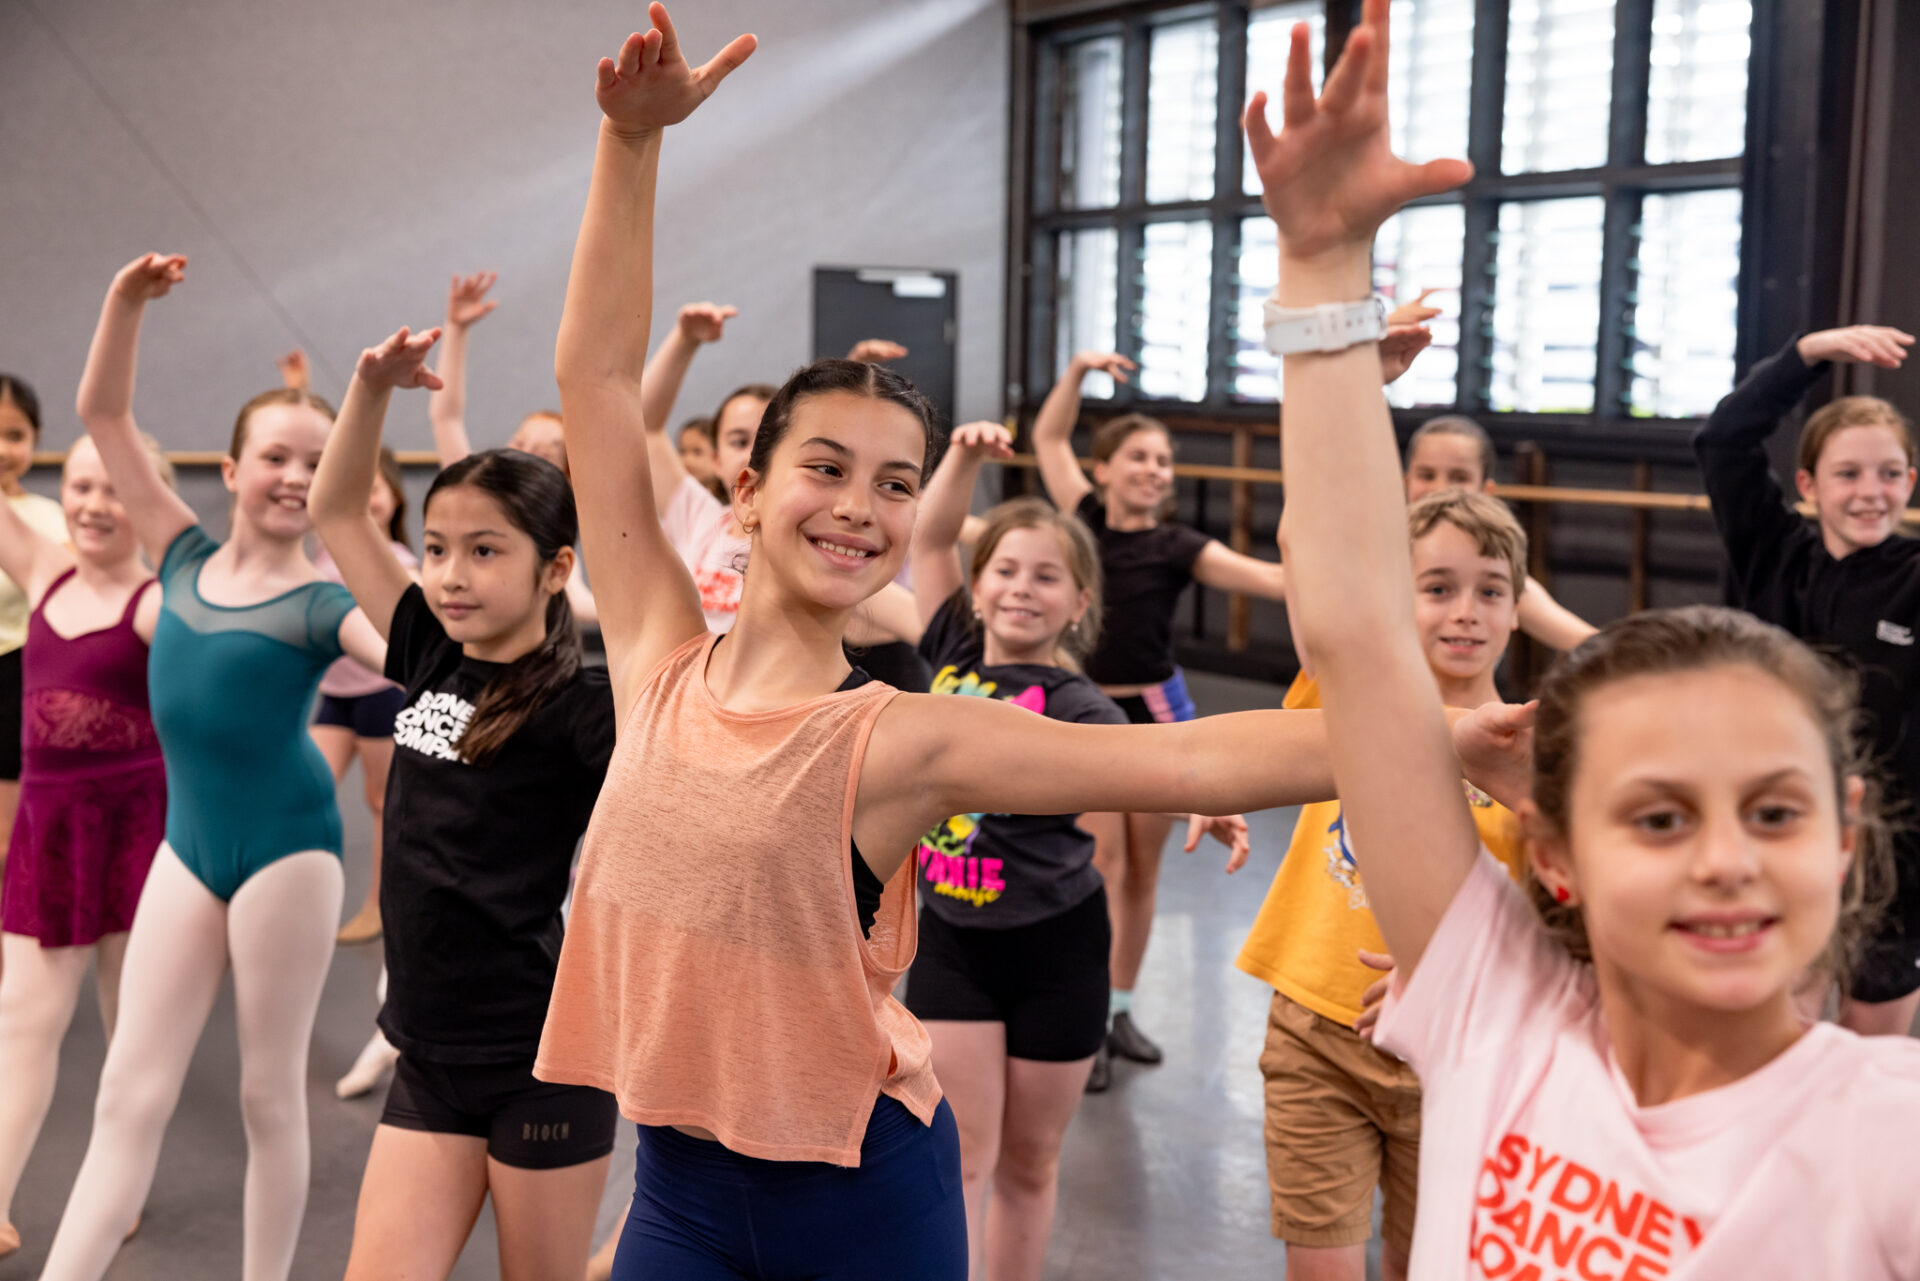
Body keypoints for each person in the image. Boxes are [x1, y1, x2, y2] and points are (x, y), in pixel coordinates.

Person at [521, 14, 1490, 1276]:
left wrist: (1463, 734)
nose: (860, 508)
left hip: (858, 1196)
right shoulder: (656, 652)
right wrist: (628, 143)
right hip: (678, 1202)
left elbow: (1189, 764)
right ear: (745, 491)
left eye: (895, 483)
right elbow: (595, 383)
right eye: (824, 467)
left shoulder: (902, 739)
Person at [1257, 5, 1920, 1276]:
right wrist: (1326, 278)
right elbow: (1354, 634)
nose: (1725, 859)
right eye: (1659, 817)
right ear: (1554, 857)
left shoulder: (1879, 1137)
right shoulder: (1490, 1010)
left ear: (1847, 833)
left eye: (1775, 814)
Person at [38, 252, 386, 1281]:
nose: (293, 476)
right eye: (275, 456)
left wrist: (472, 716)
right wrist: (123, 301)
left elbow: (418, 662)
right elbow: (102, 411)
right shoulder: (179, 555)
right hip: (187, 853)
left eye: (316, 463)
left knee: (268, 1094)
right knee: (126, 1093)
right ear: (231, 473)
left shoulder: (324, 604)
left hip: (288, 855)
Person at [903, 420, 1247, 1279]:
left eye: (1047, 576)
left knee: (1028, 1162)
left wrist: (1218, 802)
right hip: (951, 940)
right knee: (964, 1155)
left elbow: (1165, 767)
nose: (1022, 589)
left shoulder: (1085, 704)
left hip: (1057, 949)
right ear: (977, 591)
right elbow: (936, 533)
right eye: (1006, 572)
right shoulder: (945, 646)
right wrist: (966, 458)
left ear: (1079, 603)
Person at [312, 325, 619, 1281]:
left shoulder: (583, 709)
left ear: (556, 568)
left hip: (542, 1057)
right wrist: (370, 391)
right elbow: (337, 509)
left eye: (484, 551)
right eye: (439, 547)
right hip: (428, 1050)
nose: (449, 573)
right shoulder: (428, 651)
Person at [1237, 489, 1532, 1281]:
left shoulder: (1527, 751)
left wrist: (1448, 975)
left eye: (1490, 590)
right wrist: (1341, 380)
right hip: (1318, 1033)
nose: (1466, 611)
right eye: (1437, 588)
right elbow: (1305, 547)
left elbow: (1548, 924)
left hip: (1458, 1052)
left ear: (1518, 607)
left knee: (1425, 1264)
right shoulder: (1344, 700)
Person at [1694, 322, 1920, 1035]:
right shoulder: (1772, 553)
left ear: (1911, 482)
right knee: (1775, 1021)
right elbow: (1723, 441)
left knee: (1871, 1048)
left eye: (1889, 473)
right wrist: (1806, 356)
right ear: (1808, 484)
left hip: (1895, 853)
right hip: (1775, 829)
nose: (1869, 492)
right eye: (1848, 473)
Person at [0, 434, 171, 1261]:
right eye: (79, 486)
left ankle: (120, 1186)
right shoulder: (43, 567)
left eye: (114, 488)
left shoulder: (156, 602)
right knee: (20, 1021)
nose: (95, 504)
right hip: (49, 829)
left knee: (129, 1022)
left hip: (134, 830)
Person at [427, 270, 599, 626]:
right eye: (520, 443)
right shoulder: (472, 491)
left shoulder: (548, 535)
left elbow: (581, 605)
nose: (525, 454)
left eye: (545, 453)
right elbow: (446, 417)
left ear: (565, 477)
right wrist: (455, 330)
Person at [0, 375, 74, 968]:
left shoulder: (51, 519)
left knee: (8, 833)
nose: (3, 447)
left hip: (19, 681)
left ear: (36, 440)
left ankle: (12, 953)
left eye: (14, 435)